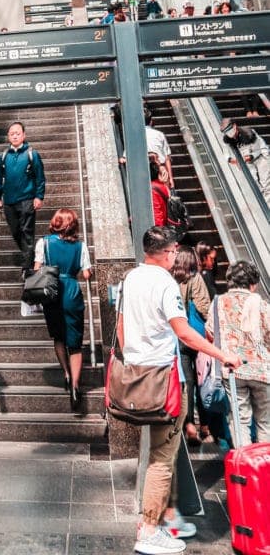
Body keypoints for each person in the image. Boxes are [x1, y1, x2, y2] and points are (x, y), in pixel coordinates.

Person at [118, 227, 241, 554]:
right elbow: (184, 332)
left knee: (165, 450)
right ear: (168, 252)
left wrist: (131, 356)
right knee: (162, 455)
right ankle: (149, 529)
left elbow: (120, 326)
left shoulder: (131, 278)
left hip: (136, 375)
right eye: (174, 251)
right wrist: (222, 354)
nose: (175, 256)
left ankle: (168, 516)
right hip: (162, 377)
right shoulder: (164, 284)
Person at [205, 260, 269, 443]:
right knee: (265, 421)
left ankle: (243, 465)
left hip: (233, 370)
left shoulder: (218, 303)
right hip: (263, 371)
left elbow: (210, 333)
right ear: (253, 284)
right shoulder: (262, 305)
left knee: (239, 419)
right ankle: (265, 465)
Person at [33, 209, 91, 411]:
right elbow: (86, 273)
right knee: (75, 343)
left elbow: (37, 268)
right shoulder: (80, 246)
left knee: (58, 336)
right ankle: (75, 385)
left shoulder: (44, 243)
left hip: (52, 290)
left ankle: (66, 373)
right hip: (72, 291)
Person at [0, 121, 46, 277]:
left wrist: (39, 196)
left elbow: (40, 178)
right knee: (16, 231)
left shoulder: (31, 154)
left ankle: (26, 268)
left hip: (27, 199)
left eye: (18, 133)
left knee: (27, 232)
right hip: (9, 201)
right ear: (8, 136)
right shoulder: (3, 156)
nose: (15, 136)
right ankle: (33, 257)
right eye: (12, 134)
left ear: (24, 135)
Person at [170, 247, 211, 444]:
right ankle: (205, 425)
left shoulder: (170, 280)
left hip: (180, 336)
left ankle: (189, 425)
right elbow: (204, 307)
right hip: (197, 336)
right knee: (203, 377)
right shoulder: (195, 278)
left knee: (188, 382)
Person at [221, 118, 270, 201]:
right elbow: (226, 153)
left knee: (266, 183)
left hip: (261, 157)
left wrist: (250, 157)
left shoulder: (248, 133)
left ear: (234, 126)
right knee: (254, 183)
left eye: (229, 129)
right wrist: (232, 160)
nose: (228, 132)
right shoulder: (227, 140)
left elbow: (259, 149)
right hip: (246, 161)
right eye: (225, 131)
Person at [145, 110, 174, 189]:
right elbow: (167, 158)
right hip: (160, 170)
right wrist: (171, 178)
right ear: (151, 122)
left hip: (143, 170)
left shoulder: (135, 135)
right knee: (163, 195)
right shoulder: (159, 134)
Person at [150, 159, 171, 227]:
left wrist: (158, 228)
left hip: (158, 224)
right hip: (163, 222)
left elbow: (156, 210)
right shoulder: (162, 186)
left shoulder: (152, 188)